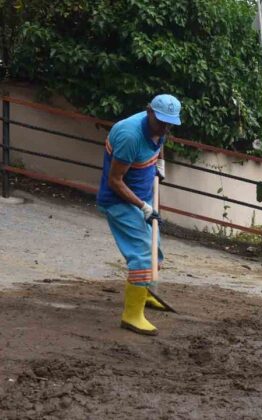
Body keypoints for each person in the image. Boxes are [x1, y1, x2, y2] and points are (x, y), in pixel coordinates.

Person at [96, 94, 182, 336]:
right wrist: (144, 208)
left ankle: (144, 293)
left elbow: (160, 140)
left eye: (170, 124)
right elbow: (115, 181)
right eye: (162, 122)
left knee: (156, 249)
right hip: (119, 201)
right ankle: (131, 315)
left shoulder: (162, 127)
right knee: (143, 254)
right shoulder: (129, 136)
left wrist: (160, 165)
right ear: (149, 111)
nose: (165, 128)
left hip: (141, 197)